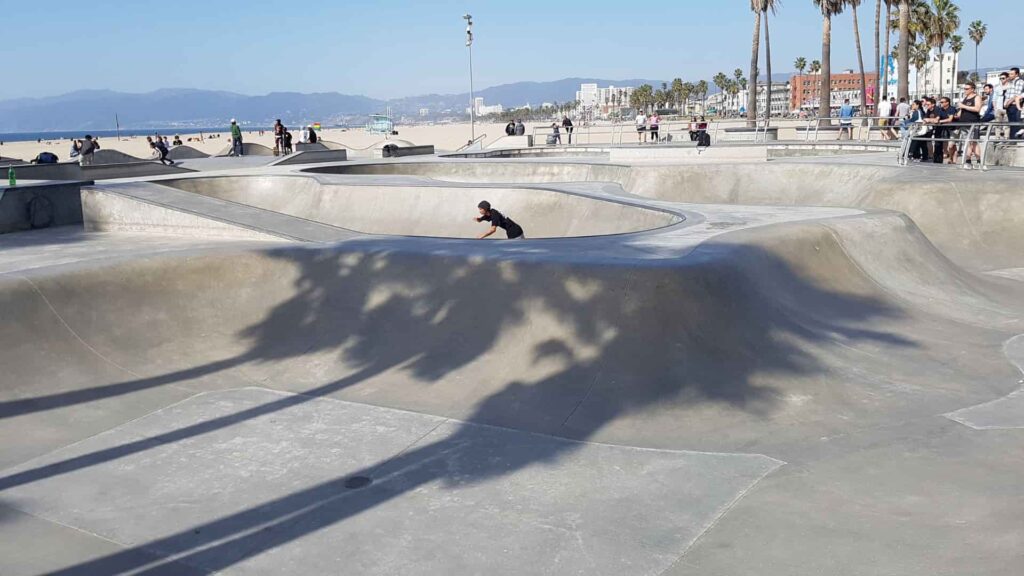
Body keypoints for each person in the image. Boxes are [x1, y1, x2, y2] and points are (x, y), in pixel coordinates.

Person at [934, 97, 956, 163]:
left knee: (951, 145)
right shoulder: (940, 109)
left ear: (947, 103)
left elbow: (950, 119)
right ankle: (948, 159)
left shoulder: (952, 109)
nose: (941, 103)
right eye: (940, 102)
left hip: (953, 128)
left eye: (942, 102)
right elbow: (938, 117)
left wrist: (940, 121)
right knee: (943, 143)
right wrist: (935, 120)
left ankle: (951, 159)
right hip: (944, 128)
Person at [1004, 68, 1023, 139]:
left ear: (1017, 74)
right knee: (1011, 124)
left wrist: (1008, 103)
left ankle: (1014, 140)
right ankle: (1012, 139)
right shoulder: (1010, 82)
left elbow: (1017, 95)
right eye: (1009, 74)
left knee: (1015, 124)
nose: (1010, 75)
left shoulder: (1019, 81)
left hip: (1014, 105)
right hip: (1009, 106)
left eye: (1012, 74)